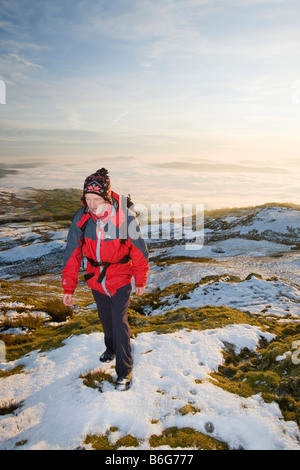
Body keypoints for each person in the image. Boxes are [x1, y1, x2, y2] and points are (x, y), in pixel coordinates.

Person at [62, 168, 149, 390]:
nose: (91, 204)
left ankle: (124, 371)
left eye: (96, 199)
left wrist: (140, 280)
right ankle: (110, 348)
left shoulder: (125, 219)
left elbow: (139, 251)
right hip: (95, 278)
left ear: (107, 197)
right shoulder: (82, 219)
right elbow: (72, 253)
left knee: (119, 322)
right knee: (106, 319)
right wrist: (68, 287)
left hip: (120, 276)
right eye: (87, 199)